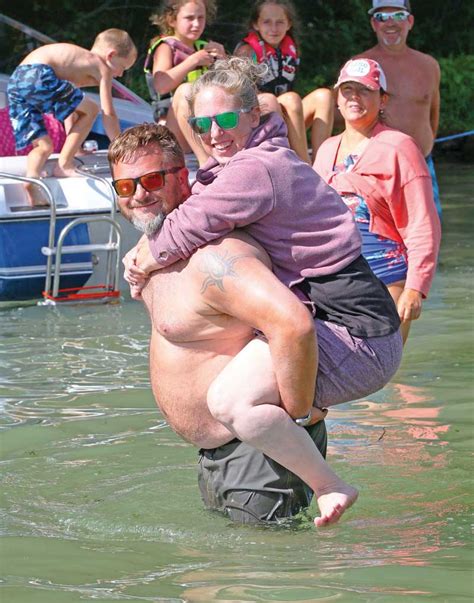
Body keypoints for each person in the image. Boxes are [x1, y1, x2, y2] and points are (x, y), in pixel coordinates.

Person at [121, 59, 403, 522]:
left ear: (255, 116)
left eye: (227, 119)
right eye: (203, 123)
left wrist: (144, 261)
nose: (215, 132)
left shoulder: (257, 168)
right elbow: (200, 203)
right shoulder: (237, 165)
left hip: (355, 329)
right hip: (336, 319)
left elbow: (196, 220)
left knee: (232, 401)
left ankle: (331, 485)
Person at [314, 58, 441, 344]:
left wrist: (415, 288)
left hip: (387, 278)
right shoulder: (326, 150)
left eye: (365, 90)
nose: (354, 98)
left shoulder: (400, 147)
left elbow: (423, 223)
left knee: (383, 372)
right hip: (335, 279)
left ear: (382, 100)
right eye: (347, 90)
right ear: (337, 98)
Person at [7, 29, 137, 207]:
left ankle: (32, 179)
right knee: (92, 108)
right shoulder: (100, 66)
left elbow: (71, 110)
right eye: (123, 67)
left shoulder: (74, 63)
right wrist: (119, 148)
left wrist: (75, 148)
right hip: (38, 74)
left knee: (44, 147)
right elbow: (109, 113)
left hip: (16, 82)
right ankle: (64, 164)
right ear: (111, 55)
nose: (120, 75)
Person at [353, 0, 442, 215]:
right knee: (380, 241)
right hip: (376, 170)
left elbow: (433, 115)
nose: (390, 23)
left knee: (428, 239)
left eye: (399, 16)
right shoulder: (359, 65)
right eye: (382, 17)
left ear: (410, 22)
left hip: (423, 166)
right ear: (374, 24)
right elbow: (348, 119)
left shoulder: (430, 65)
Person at [144, 0, 225, 166]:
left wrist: (224, 59)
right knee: (186, 90)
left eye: (201, 18)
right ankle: (207, 163)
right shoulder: (166, 47)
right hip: (174, 131)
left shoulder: (206, 48)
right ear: (172, 20)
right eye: (189, 18)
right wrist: (193, 61)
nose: (196, 24)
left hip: (206, 124)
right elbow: (161, 84)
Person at [234, 0, 310, 163]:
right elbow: (240, 96)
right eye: (267, 22)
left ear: (289, 24)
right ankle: (304, 165)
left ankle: (320, 160)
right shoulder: (247, 50)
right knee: (290, 99)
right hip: (257, 116)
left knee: (323, 97)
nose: (274, 28)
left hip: (285, 110)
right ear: (256, 24)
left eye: (280, 22)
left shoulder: (290, 48)